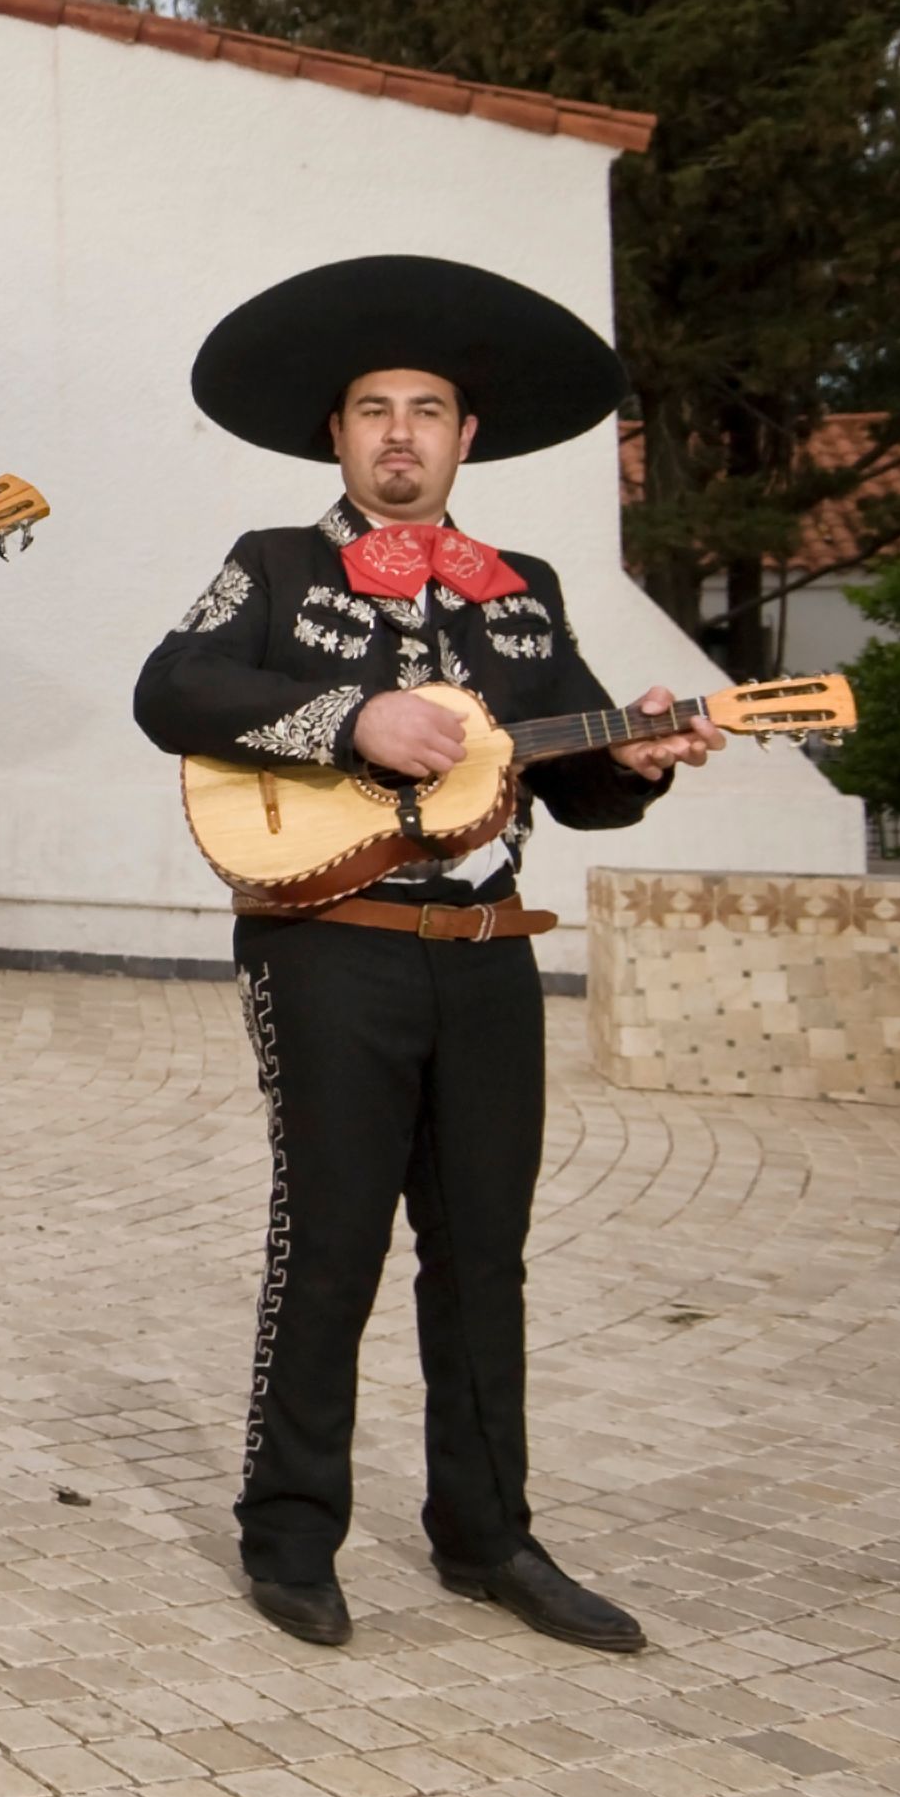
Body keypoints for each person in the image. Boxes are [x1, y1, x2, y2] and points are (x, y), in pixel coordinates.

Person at [134, 255, 715, 1654]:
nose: (401, 431)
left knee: (485, 1251)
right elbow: (174, 690)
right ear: (336, 436)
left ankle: (488, 1534)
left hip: (490, 951)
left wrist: (638, 756)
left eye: (430, 409)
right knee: (329, 1239)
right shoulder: (275, 564)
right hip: (328, 944)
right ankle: (288, 1531)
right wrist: (352, 722)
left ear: (467, 437)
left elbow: (574, 776)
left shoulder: (525, 594)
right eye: (374, 409)